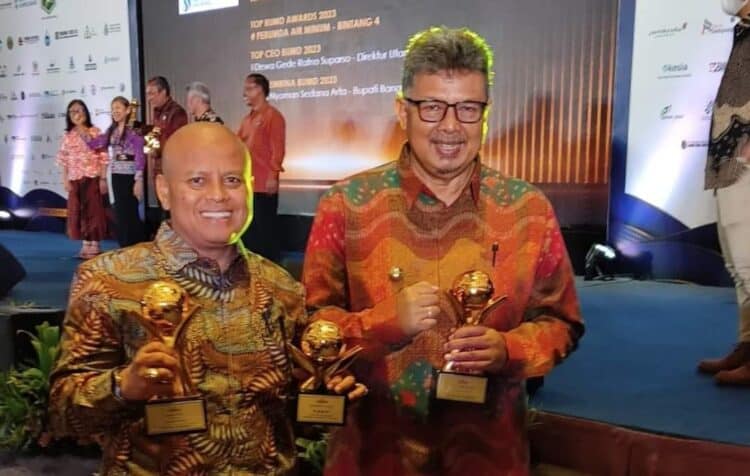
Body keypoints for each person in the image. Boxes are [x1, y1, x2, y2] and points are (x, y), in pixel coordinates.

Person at [302, 26, 584, 475]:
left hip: (488, 456)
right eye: (432, 107)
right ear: (402, 110)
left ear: (486, 113)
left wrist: (508, 350)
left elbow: (562, 324)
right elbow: (313, 327)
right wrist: (382, 324)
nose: (451, 127)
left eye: (468, 108)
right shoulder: (347, 205)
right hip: (373, 456)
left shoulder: (528, 210)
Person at [49, 123, 364, 475]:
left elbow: (288, 419)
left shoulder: (280, 288)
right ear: (164, 191)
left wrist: (324, 396)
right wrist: (124, 387)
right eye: (197, 181)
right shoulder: (108, 280)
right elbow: (63, 416)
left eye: (232, 180)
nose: (218, 195)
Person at [698, 0, 750, 386]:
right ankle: (747, 345)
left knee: (749, 263)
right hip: (726, 158)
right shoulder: (743, 32)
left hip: (745, 159)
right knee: (735, 263)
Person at [237, 73, 286, 263]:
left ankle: (272, 273)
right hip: (247, 183)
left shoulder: (273, 116)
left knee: (266, 231)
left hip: (264, 184)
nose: (245, 93)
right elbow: (237, 143)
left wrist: (273, 175)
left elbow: (278, 149)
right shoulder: (247, 119)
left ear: (260, 90)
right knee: (250, 232)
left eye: (249, 89)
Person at [87, 96, 146, 247]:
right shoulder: (111, 130)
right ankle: (124, 246)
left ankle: (135, 246)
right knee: (120, 211)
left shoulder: (134, 130)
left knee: (130, 211)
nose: (115, 111)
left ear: (127, 110)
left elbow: (140, 155)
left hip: (131, 176)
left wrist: (139, 180)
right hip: (116, 176)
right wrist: (86, 133)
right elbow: (96, 144)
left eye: (118, 108)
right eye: (113, 109)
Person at [56, 99, 109, 259]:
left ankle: (95, 244)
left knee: (94, 211)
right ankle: (85, 243)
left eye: (79, 111)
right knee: (78, 212)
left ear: (85, 113)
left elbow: (104, 156)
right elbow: (63, 159)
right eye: (72, 112)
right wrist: (65, 178)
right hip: (75, 178)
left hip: (92, 176)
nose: (76, 114)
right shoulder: (68, 136)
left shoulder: (95, 132)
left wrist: (103, 178)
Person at [144, 76, 188, 234]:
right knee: (163, 210)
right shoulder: (156, 112)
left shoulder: (177, 112)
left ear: (164, 92)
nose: (149, 98)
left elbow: (176, 143)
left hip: (172, 170)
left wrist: (157, 147)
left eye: (152, 93)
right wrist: (149, 144)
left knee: (172, 210)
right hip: (158, 169)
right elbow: (154, 138)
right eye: (148, 94)